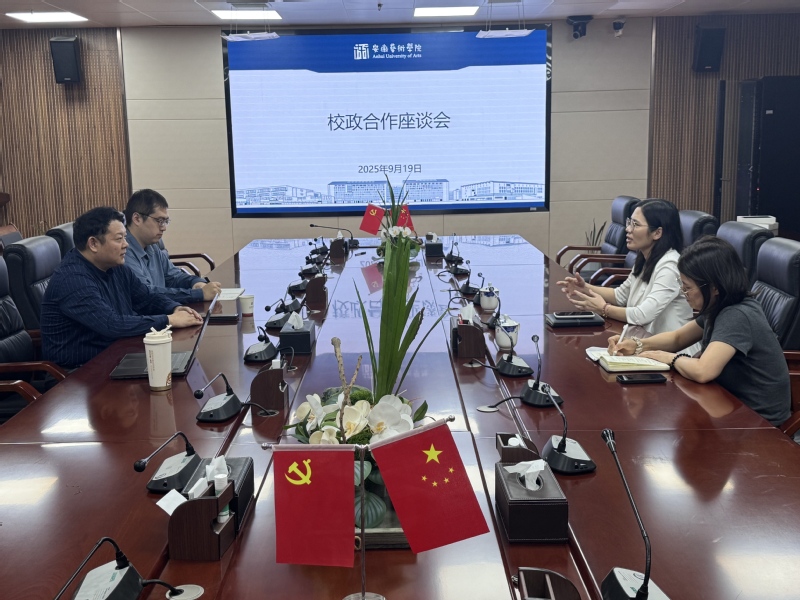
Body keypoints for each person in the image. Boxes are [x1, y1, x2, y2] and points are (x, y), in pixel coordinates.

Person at [608, 236, 790, 427]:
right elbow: (678, 338)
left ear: (714, 287)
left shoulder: (737, 314)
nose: (684, 293)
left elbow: (704, 371)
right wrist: (637, 345)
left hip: (759, 423)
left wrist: (669, 358)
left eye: (687, 288)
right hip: (729, 405)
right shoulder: (719, 304)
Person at [41, 207, 204, 369]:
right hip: (78, 372)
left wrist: (174, 308)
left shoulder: (115, 266)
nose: (126, 245)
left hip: (115, 355)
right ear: (93, 244)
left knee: (179, 364)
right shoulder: (72, 279)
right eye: (119, 239)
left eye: (125, 238)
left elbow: (146, 297)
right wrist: (169, 320)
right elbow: (111, 324)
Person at [557, 198, 694, 337]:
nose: (627, 229)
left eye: (635, 224)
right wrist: (585, 288)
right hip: (643, 339)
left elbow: (642, 315)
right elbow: (620, 296)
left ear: (657, 233)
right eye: (629, 222)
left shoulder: (670, 266)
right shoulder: (646, 258)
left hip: (670, 347)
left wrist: (604, 308)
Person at [124, 189, 222, 304]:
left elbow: (174, 277)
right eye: (159, 220)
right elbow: (146, 293)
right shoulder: (123, 252)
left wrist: (196, 283)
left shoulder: (152, 245)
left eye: (166, 221)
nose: (164, 228)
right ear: (137, 219)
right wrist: (198, 294)